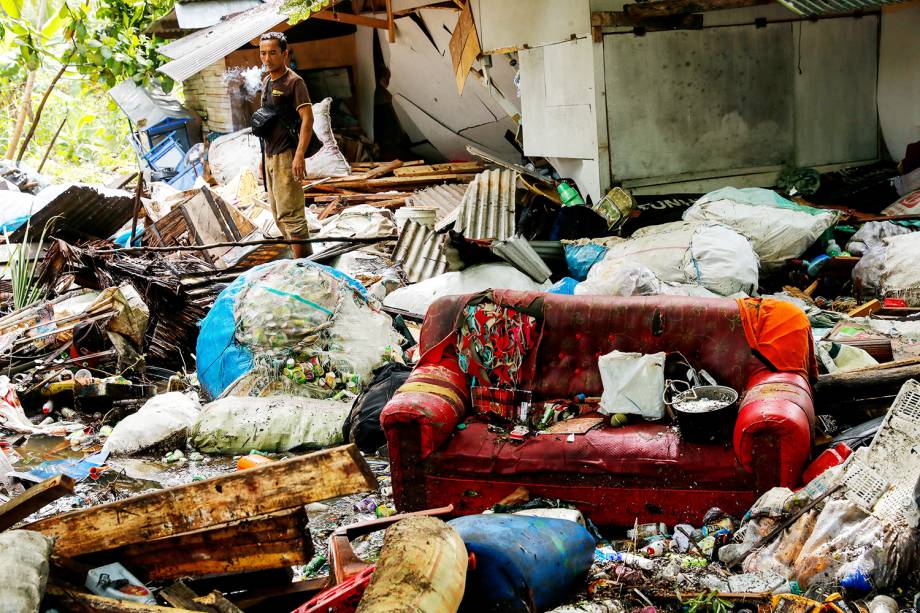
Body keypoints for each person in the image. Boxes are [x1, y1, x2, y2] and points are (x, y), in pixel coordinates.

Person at [258, 31, 313, 258]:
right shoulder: (266, 82)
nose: (267, 58)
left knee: (291, 215)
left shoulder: (294, 82)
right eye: (262, 53)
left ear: (285, 54)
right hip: (270, 155)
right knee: (278, 213)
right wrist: (261, 160)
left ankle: (303, 267)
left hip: (286, 155)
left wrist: (299, 155)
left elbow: (308, 118)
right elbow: (266, 124)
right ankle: (305, 261)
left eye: (272, 53)